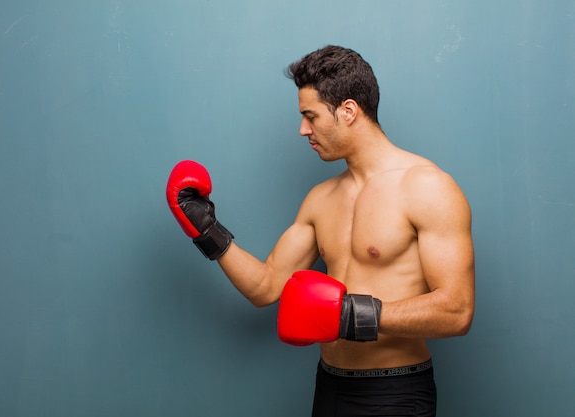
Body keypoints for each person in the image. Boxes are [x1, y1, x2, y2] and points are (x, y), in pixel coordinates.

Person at [166, 45, 475, 417]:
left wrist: (349, 314)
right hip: (329, 385)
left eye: (310, 116)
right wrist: (206, 229)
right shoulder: (321, 199)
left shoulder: (427, 187)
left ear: (348, 110)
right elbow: (264, 287)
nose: (302, 130)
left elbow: (457, 311)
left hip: (395, 390)